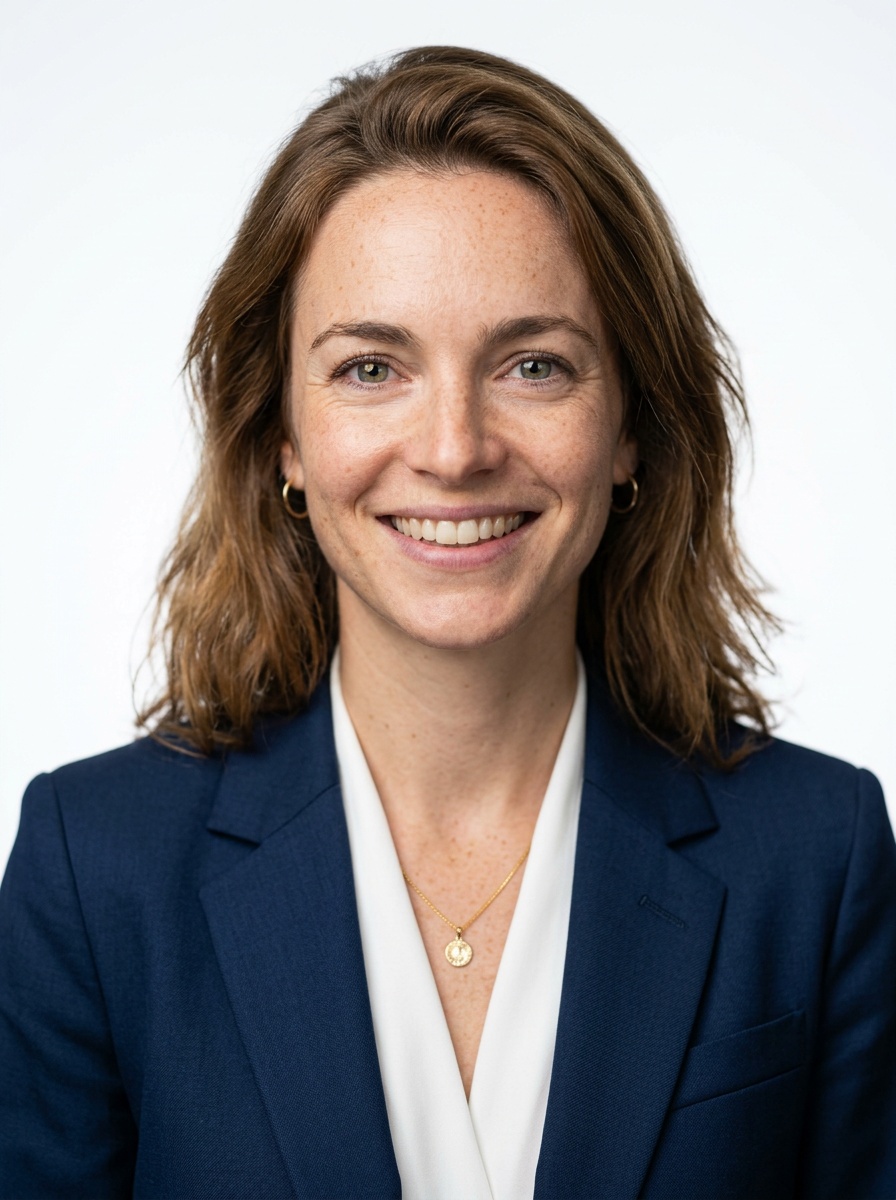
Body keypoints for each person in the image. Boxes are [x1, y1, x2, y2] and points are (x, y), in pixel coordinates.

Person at [1, 44, 894, 1200]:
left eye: (533, 364)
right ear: (280, 434)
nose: (454, 448)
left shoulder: (814, 857)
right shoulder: (98, 868)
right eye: (372, 368)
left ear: (628, 426)